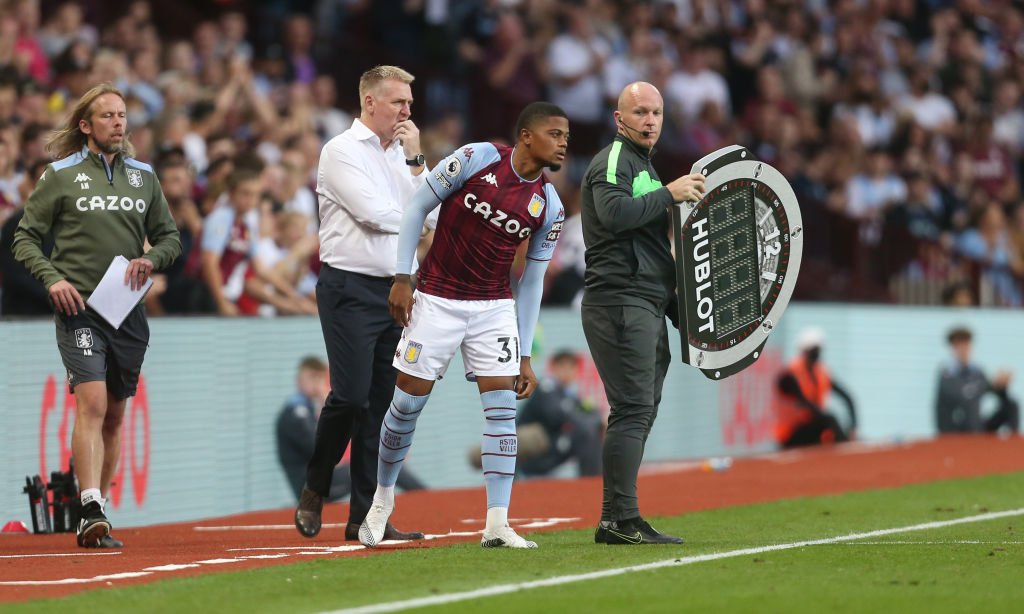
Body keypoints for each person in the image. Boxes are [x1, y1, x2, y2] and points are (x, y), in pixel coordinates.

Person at [358, 101, 569, 550]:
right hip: (435, 297)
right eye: (555, 133)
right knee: (406, 406)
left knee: (502, 413)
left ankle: (496, 522)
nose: (564, 143)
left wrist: (526, 352)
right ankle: (381, 501)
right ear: (526, 136)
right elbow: (417, 208)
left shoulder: (550, 205)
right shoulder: (476, 158)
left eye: (567, 135)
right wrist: (402, 277)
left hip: (493, 307)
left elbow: (531, 282)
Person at [11, 83, 181, 548]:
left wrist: (153, 259)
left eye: (122, 115)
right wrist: (53, 279)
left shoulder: (145, 176)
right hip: (79, 307)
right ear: (85, 125)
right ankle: (88, 506)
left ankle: (98, 510)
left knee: (115, 414)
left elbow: (170, 237)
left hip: (125, 309)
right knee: (93, 403)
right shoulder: (59, 175)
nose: (118, 123)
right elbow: (25, 239)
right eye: (107, 116)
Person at [293, 65, 431, 543]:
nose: (407, 112)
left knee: (381, 407)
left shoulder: (405, 156)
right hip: (350, 287)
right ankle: (315, 483)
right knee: (350, 396)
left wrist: (417, 163)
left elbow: (430, 205)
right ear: (370, 102)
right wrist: (419, 216)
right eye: (398, 102)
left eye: (409, 103)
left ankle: (365, 518)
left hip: (398, 287)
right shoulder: (340, 150)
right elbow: (375, 215)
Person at [580, 81, 706, 546]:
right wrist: (670, 194)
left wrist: (680, 308)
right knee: (633, 409)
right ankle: (620, 519)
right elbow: (613, 215)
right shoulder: (615, 160)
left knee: (639, 411)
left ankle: (620, 518)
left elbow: (650, 249)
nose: (649, 120)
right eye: (639, 112)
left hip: (644, 301)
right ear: (619, 119)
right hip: (620, 301)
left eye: (656, 112)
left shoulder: (644, 168)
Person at [276, 356, 426, 501]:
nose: (317, 384)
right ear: (299, 380)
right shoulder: (296, 413)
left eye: (320, 378)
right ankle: (427, 497)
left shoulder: (305, 410)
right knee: (376, 468)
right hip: (311, 485)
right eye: (312, 378)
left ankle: (426, 497)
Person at [514, 350, 603, 478]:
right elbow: (558, 414)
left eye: (571, 367)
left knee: (591, 430)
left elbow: (592, 414)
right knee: (585, 431)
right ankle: (590, 481)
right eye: (562, 366)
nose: (567, 372)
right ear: (554, 368)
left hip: (549, 446)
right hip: (530, 451)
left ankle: (594, 480)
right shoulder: (545, 388)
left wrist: (601, 424)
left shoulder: (570, 395)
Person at [774, 327, 857, 448]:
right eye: (813, 350)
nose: (816, 354)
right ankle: (845, 448)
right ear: (804, 350)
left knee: (829, 425)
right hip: (790, 432)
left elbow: (847, 397)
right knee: (830, 420)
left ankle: (846, 443)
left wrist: (853, 427)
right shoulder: (790, 375)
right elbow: (805, 404)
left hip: (813, 427)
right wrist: (828, 420)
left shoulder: (821, 372)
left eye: (818, 350)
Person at [936, 327, 1019, 434]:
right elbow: (962, 395)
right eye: (960, 347)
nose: (964, 351)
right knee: (970, 403)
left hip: (976, 425)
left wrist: (1001, 387)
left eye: (966, 346)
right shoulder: (946, 373)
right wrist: (982, 387)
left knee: (1012, 405)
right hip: (954, 429)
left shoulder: (977, 372)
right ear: (953, 349)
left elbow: (989, 389)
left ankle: (1014, 443)